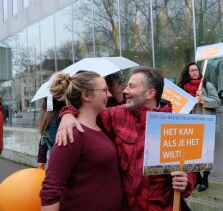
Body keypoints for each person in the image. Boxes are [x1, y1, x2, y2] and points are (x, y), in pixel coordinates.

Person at [56, 67, 197, 211]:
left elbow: (191, 168)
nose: (125, 91)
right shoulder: (116, 115)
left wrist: (186, 180)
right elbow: (87, 109)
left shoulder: (175, 125)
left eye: (132, 86)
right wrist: (67, 114)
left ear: (150, 93)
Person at [40, 71, 123, 211]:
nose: (109, 94)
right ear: (86, 95)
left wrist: (67, 113)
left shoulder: (101, 126)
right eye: (104, 90)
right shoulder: (71, 134)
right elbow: (51, 190)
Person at [178, 62, 220, 192]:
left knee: (206, 153)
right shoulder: (183, 88)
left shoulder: (207, 85)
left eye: (196, 70)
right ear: (188, 73)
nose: (195, 72)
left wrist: (202, 99)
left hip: (205, 124)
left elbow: (217, 101)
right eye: (192, 70)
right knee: (193, 154)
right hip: (190, 125)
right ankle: (198, 177)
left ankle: (205, 178)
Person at [37, 98, 65, 169]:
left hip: (53, 160)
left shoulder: (46, 116)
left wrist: (41, 159)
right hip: (62, 162)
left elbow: (43, 138)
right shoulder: (62, 115)